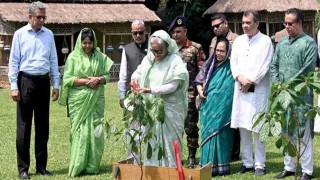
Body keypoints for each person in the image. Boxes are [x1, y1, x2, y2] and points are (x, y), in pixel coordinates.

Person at [7, 1, 60, 179]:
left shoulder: (49, 34)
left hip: (44, 82)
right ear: (29, 17)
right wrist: (14, 86)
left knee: (43, 127)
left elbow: (53, 60)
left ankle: (41, 166)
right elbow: (13, 62)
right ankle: (23, 169)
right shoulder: (19, 34)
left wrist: (56, 84)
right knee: (24, 128)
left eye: (44, 17)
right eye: (38, 17)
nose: (42, 20)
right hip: (25, 81)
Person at [59, 28, 113, 177]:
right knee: (80, 133)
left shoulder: (100, 57)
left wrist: (99, 79)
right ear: (80, 42)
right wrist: (86, 82)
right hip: (79, 100)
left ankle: (92, 166)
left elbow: (107, 75)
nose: (87, 46)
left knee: (96, 133)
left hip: (96, 99)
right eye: (84, 43)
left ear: (94, 42)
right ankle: (78, 165)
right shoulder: (73, 57)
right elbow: (68, 79)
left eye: (90, 43)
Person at [131, 30, 189, 167]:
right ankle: (153, 170)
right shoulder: (149, 59)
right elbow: (138, 71)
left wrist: (151, 89)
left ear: (167, 47)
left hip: (170, 110)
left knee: (170, 141)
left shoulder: (175, 61)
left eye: (160, 51)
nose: (156, 54)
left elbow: (173, 86)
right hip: (152, 108)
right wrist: (134, 78)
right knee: (152, 140)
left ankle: (172, 171)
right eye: (154, 50)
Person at [271, 8, 317, 180]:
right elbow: (273, 65)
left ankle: (307, 170)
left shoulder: (309, 43)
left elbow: (308, 70)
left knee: (303, 130)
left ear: (300, 23)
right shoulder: (282, 43)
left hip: (301, 96)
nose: (287, 26)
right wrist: (277, 84)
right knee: (286, 130)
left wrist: (287, 86)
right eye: (285, 23)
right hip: (282, 96)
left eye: (290, 23)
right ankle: (289, 167)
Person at [230, 10, 273, 176]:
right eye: (243, 22)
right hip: (241, 89)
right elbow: (233, 62)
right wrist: (240, 77)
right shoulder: (239, 41)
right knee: (243, 126)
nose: (245, 26)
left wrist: (251, 81)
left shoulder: (265, 41)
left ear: (257, 23)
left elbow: (265, 65)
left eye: (248, 22)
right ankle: (247, 162)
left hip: (258, 89)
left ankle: (260, 164)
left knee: (258, 127)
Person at [168, 15, 206, 168]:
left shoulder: (195, 48)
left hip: (190, 93)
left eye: (178, 32)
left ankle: (191, 156)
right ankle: (175, 155)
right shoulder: (168, 49)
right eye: (173, 32)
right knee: (173, 126)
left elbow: (202, 71)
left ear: (185, 31)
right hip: (172, 94)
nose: (176, 35)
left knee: (190, 126)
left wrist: (199, 91)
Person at [194, 37, 234, 176]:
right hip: (208, 106)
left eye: (222, 51)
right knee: (207, 133)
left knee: (222, 135)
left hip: (223, 108)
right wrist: (200, 91)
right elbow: (198, 81)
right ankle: (206, 165)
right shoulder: (209, 64)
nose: (218, 53)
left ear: (228, 52)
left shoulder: (231, 66)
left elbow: (231, 86)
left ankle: (221, 166)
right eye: (217, 50)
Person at [209, 13, 240, 161]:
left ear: (226, 23)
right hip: (217, 85)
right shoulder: (214, 41)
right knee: (220, 118)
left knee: (234, 119)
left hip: (232, 82)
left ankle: (234, 152)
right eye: (213, 27)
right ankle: (220, 150)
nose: (215, 28)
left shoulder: (237, 39)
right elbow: (211, 65)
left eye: (218, 25)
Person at [117, 20, 148, 164]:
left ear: (145, 31)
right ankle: (133, 160)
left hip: (150, 95)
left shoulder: (154, 46)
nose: (138, 35)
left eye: (141, 32)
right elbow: (123, 75)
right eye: (135, 33)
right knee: (132, 129)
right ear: (131, 33)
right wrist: (122, 97)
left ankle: (149, 160)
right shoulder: (126, 49)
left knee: (149, 129)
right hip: (132, 96)